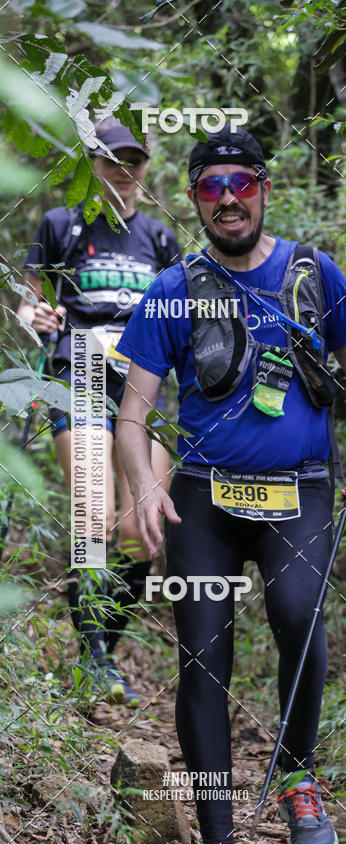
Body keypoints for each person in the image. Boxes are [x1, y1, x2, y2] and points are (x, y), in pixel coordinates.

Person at [115, 125, 346, 844]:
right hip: (203, 497)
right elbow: (133, 415)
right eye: (213, 187)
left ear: (265, 189)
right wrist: (144, 486)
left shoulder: (315, 275)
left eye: (242, 183)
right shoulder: (172, 290)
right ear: (195, 199)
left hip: (299, 490)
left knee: (298, 612)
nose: (229, 199)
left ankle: (296, 773)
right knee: (203, 657)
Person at [18, 117, 181, 707]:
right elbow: (29, 303)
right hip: (80, 374)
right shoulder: (61, 224)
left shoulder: (161, 240)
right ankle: (92, 663)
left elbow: (182, 318)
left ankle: (103, 654)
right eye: (112, 160)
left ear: (145, 168)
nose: (123, 171)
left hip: (145, 387)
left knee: (144, 532)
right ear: (93, 164)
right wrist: (31, 317)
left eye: (133, 160)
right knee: (96, 519)